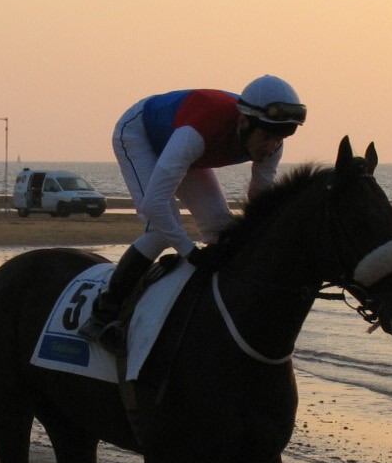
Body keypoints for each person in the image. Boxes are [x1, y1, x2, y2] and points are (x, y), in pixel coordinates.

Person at [77, 75, 306, 350]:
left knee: (220, 227)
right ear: (244, 123)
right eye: (267, 137)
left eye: (279, 139)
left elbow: (259, 204)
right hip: (140, 132)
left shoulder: (272, 145)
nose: (271, 147)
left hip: (190, 148)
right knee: (158, 229)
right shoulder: (198, 131)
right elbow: (155, 204)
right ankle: (104, 313)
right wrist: (189, 251)